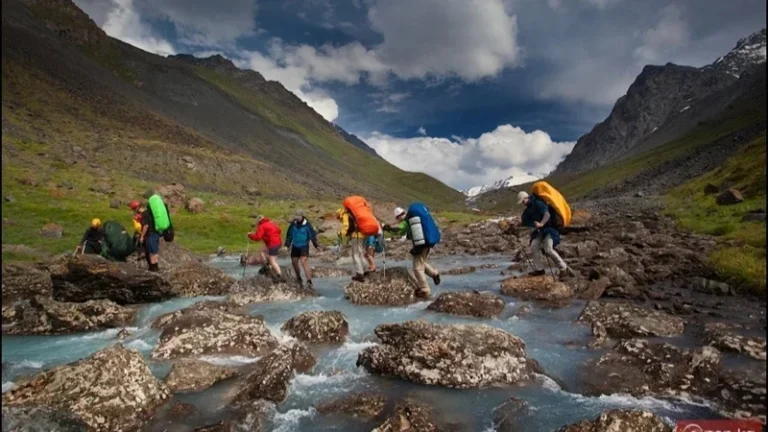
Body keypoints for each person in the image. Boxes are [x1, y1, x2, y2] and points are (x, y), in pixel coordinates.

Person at [383, 206, 440, 298]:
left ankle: (425, 289)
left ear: (398, 217)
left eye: (397, 218)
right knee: (421, 262)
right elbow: (401, 233)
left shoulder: (406, 221)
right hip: (426, 243)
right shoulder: (413, 219)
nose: (398, 220)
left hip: (421, 245)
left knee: (417, 268)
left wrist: (387, 227)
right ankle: (434, 274)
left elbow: (399, 230)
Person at [517, 191, 575, 278]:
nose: (522, 203)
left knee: (548, 249)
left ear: (526, 198)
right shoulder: (526, 212)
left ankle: (564, 268)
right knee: (534, 246)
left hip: (549, 229)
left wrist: (541, 224)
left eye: (522, 201)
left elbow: (547, 214)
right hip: (538, 232)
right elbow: (525, 221)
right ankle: (539, 270)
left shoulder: (538, 203)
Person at [284, 211, 320, 287]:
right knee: (294, 262)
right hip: (295, 246)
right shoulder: (293, 224)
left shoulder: (307, 225)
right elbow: (289, 235)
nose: (297, 219)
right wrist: (286, 245)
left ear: (302, 216)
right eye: (296, 218)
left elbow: (312, 236)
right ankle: (299, 278)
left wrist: (316, 245)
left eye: (298, 218)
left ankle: (309, 281)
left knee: (303, 261)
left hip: (304, 246)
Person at [248, 215, 284, 282]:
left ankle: (280, 275)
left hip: (273, 244)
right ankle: (268, 265)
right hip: (278, 243)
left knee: (272, 260)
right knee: (263, 252)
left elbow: (258, 237)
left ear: (259, 221)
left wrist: (250, 235)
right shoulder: (271, 223)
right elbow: (279, 230)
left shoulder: (262, 226)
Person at [139, 199, 170, 272]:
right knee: (154, 250)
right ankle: (155, 267)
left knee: (152, 251)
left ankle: (154, 268)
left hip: (150, 234)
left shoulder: (145, 214)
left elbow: (146, 226)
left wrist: (142, 236)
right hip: (156, 233)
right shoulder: (153, 213)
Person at [336, 208, 366, 282]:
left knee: (355, 254)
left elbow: (347, 227)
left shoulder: (345, 215)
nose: (340, 220)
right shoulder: (352, 214)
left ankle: (360, 273)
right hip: (362, 234)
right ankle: (365, 269)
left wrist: (341, 233)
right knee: (360, 253)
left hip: (356, 236)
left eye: (338, 218)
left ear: (339, 215)